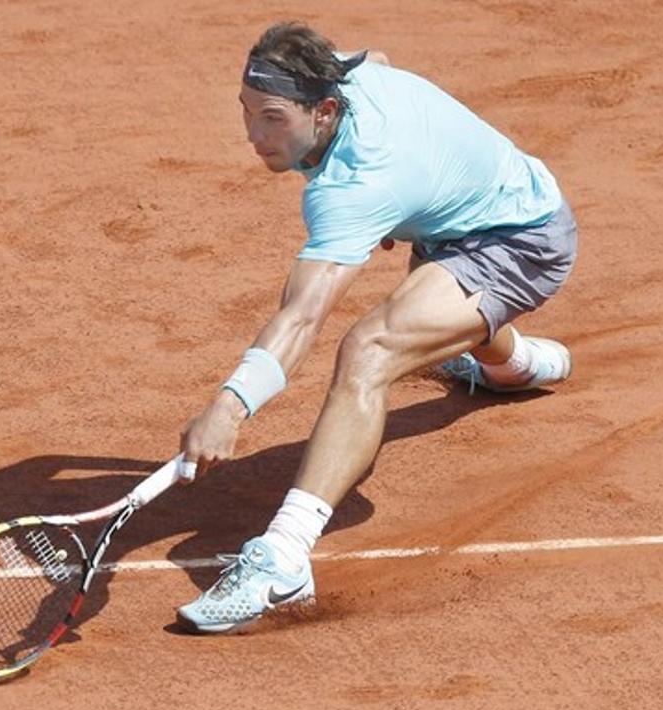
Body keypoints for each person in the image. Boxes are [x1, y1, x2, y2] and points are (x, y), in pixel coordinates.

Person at [175, 22, 577, 633]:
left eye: (273, 118)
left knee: (370, 348)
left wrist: (229, 408)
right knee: (427, 315)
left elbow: (303, 314)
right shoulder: (335, 70)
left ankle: (283, 561)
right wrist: (411, 197)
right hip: (454, 223)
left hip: (521, 240)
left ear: (326, 109)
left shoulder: (355, 189)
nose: (254, 135)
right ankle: (513, 365)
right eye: (247, 113)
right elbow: (379, 59)